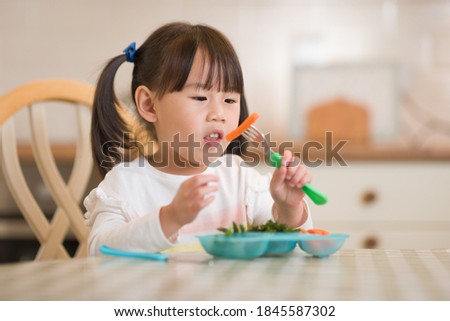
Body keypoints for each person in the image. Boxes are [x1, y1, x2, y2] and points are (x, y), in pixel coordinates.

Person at [84, 22, 313, 255]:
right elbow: (99, 253)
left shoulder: (242, 181)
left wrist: (288, 209)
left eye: (230, 100)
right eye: (200, 97)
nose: (219, 114)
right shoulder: (126, 184)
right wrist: (170, 218)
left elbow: (290, 254)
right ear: (149, 104)